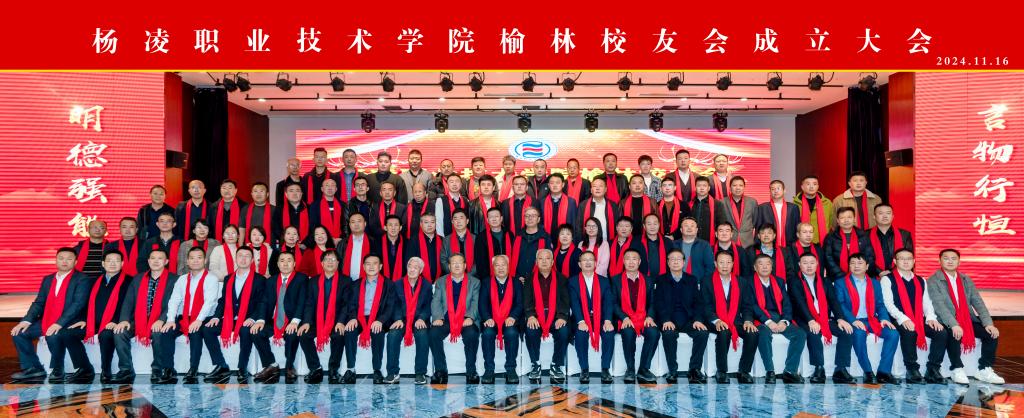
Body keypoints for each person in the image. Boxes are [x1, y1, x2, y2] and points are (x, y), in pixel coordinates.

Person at [10, 248, 91, 383]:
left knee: (53, 334)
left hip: (70, 321)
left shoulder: (82, 279)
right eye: (61, 258)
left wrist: (59, 323)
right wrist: (26, 321)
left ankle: (57, 369)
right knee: (19, 333)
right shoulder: (48, 279)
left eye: (69, 259)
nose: (64, 261)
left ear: (76, 261)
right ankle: (33, 368)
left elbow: (78, 304)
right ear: (56, 260)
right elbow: (39, 302)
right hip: (47, 319)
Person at [928, 249, 1005, 385]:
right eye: (946, 258)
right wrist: (954, 324)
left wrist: (988, 323)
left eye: (954, 258)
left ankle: (984, 369)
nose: (950, 261)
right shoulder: (933, 280)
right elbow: (939, 306)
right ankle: (956, 368)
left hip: (966, 319)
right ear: (939, 261)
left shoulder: (965, 279)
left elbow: (978, 302)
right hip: (945, 319)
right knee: (954, 333)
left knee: (991, 334)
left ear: (959, 261)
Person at [155, 246, 225, 384]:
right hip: (184, 317)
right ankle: (168, 369)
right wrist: (170, 320)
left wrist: (198, 320)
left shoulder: (211, 279)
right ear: (187, 261)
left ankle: (193, 369)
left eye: (199, 258)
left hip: (203, 318)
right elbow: (174, 300)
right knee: (166, 332)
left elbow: (209, 302)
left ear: (205, 260)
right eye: (192, 258)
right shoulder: (182, 279)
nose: (195, 261)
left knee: (195, 331)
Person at [204, 246, 273, 383]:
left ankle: (242, 368)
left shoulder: (259, 280)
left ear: (252, 260)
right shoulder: (228, 278)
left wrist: (253, 318)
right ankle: (221, 366)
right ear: (236, 258)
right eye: (240, 255)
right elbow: (223, 300)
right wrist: (216, 316)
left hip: (248, 319)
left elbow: (262, 302)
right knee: (207, 329)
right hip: (230, 318)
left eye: (247, 256)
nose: (243, 259)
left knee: (245, 330)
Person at [880, 248, 947, 384]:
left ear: (914, 261)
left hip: (918, 317)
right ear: (895, 261)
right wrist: (903, 318)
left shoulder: (921, 280)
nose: (906, 261)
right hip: (897, 318)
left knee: (941, 332)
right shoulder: (887, 279)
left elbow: (926, 302)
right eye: (901, 259)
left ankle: (933, 369)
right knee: (909, 331)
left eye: (909, 259)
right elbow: (888, 304)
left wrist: (931, 318)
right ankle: (912, 370)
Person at [786, 252, 854, 384]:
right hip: (804, 318)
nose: (809, 266)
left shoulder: (825, 281)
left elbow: (834, 301)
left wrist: (840, 318)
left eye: (812, 263)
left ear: (817, 264)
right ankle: (819, 368)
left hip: (824, 317)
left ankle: (840, 369)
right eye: (805, 263)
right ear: (799, 265)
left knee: (846, 331)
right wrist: (811, 320)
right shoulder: (794, 281)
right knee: (813, 333)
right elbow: (799, 303)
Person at [113, 248, 178, 384]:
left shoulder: (174, 279)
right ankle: (126, 370)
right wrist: (124, 320)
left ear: (166, 261)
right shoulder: (138, 278)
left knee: (158, 333)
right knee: (120, 332)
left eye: (160, 258)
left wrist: (162, 320)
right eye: (152, 258)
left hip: (163, 320)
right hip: (139, 320)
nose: (156, 261)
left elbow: (174, 303)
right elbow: (128, 301)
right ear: (148, 261)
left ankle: (158, 370)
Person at [834, 253, 899, 384]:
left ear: (867, 266)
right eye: (852, 263)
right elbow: (840, 304)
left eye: (860, 263)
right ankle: (868, 372)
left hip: (871, 319)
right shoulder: (840, 283)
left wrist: (884, 318)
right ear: (849, 266)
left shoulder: (875, 283)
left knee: (893, 333)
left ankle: (884, 372)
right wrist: (853, 320)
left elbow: (880, 304)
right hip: (852, 320)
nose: (856, 266)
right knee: (859, 333)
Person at [745, 254, 806, 384]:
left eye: (768, 264)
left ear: (772, 266)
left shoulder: (779, 281)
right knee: (763, 333)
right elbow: (752, 305)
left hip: (779, 318)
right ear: (755, 267)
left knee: (800, 334)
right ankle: (770, 371)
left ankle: (790, 371)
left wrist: (784, 321)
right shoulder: (748, 282)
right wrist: (768, 321)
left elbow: (787, 304)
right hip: (760, 320)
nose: (765, 267)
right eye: (761, 264)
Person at [702, 251, 759, 384]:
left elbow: (747, 306)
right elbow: (706, 306)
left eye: (728, 262)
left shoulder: (741, 282)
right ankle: (721, 371)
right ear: (715, 264)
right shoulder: (707, 281)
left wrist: (748, 320)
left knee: (753, 333)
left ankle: (744, 371)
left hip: (735, 321)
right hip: (714, 320)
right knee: (724, 331)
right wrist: (716, 320)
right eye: (721, 262)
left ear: (733, 264)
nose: (725, 265)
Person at [654, 249, 710, 384]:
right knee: (668, 334)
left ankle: (694, 369)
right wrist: (665, 320)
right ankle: (672, 370)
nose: (675, 262)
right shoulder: (661, 280)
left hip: (688, 320)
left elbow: (698, 303)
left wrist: (697, 320)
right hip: (669, 320)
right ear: (668, 262)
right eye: (672, 259)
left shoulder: (692, 279)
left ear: (684, 262)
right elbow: (658, 303)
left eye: (678, 259)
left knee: (702, 333)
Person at [254, 251, 308, 384]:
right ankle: (271, 365)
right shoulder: (271, 281)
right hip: (274, 320)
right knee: (256, 332)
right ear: (278, 264)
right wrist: (260, 320)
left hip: (292, 319)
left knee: (291, 334)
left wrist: (295, 321)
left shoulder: (301, 279)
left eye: (289, 260)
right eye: (282, 260)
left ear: (294, 263)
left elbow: (302, 301)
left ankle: (289, 366)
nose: (285, 263)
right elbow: (264, 301)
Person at [429, 253, 481, 384]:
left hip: (466, 319)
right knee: (434, 333)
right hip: (446, 319)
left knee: (472, 334)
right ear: (449, 266)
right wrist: (438, 317)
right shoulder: (441, 282)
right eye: (453, 263)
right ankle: (441, 370)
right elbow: (436, 301)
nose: (457, 265)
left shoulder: (474, 282)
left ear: (465, 265)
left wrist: (470, 317)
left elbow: (475, 302)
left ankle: (471, 371)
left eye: (460, 262)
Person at [342, 255, 394, 384]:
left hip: (378, 318)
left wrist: (381, 320)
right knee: (349, 331)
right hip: (359, 317)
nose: (371, 266)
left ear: (380, 266)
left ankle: (377, 370)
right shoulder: (356, 284)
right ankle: (350, 369)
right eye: (368, 264)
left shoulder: (388, 284)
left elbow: (390, 306)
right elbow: (351, 304)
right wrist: (352, 318)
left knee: (377, 332)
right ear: (363, 267)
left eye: (374, 263)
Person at [83, 250, 133, 383]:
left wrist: (117, 321)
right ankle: (83, 369)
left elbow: (130, 304)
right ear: (103, 263)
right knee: (68, 334)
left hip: (115, 322)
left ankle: (105, 370)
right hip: (93, 322)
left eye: (116, 261)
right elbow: (85, 302)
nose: (112, 263)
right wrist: (83, 320)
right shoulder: (94, 281)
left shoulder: (129, 281)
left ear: (122, 263)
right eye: (109, 261)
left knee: (105, 335)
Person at [299, 251, 348, 384]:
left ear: (338, 263)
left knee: (339, 335)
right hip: (317, 321)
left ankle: (333, 370)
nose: (330, 262)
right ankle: (315, 368)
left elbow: (346, 304)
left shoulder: (345, 281)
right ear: (322, 263)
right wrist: (307, 322)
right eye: (327, 259)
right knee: (303, 334)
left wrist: (341, 321)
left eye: (333, 259)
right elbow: (309, 303)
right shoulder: (313, 281)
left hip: (336, 321)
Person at [611, 249, 660, 383]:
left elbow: (652, 302)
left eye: (634, 259)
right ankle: (630, 369)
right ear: (623, 261)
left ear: (639, 262)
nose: (631, 262)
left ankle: (644, 369)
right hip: (624, 319)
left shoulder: (648, 280)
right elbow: (613, 303)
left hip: (644, 317)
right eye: (628, 259)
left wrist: (650, 316)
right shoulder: (615, 280)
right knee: (628, 332)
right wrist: (624, 317)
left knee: (654, 333)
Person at [523, 249, 571, 383]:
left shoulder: (561, 279)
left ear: (552, 262)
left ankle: (556, 365)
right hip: (536, 315)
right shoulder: (529, 279)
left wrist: (562, 316)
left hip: (555, 315)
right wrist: (530, 315)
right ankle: (535, 364)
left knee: (564, 331)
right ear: (536, 262)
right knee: (530, 330)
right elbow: (527, 300)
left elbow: (565, 300)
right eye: (541, 259)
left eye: (547, 258)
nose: (544, 261)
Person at [568, 251, 615, 384]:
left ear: (595, 263)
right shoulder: (572, 281)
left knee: (609, 333)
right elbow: (574, 303)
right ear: (579, 264)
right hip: (582, 318)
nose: (588, 262)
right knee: (581, 334)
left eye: (591, 260)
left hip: (601, 318)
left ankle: (605, 369)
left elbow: (608, 302)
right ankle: (584, 369)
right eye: (584, 260)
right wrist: (580, 321)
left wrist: (607, 320)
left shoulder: (604, 281)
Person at [385, 257, 433, 384]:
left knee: (422, 334)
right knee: (393, 335)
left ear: (421, 270)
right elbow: (394, 304)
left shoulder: (427, 285)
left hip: (419, 319)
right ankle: (392, 372)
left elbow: (429, 305)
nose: (412, 269)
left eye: (415, 267)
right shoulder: (397, 284)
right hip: (402, 319)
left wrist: (422, 318)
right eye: (410, 266)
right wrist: (398, 319)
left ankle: (420, 373)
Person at [478, 255, 523, 384]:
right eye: (497, 265)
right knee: (487, 333)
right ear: (493, 268)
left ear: (508, 267)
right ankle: (489, 370)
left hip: (510, 320)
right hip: (492, 320)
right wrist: (487, 318)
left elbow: (520, 303)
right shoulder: (486, 282)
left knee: (511, 333)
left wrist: (513, 316)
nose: (501, 268)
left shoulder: (516, 282)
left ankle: (511, 369)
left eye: (503, 265)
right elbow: (482, 304)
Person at [824, 207, 875, 278]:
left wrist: (861, 274)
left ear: (854, 219)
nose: (846, 220)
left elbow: (870, 257)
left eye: (849, 217)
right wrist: (841, 276)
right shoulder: (830, 237)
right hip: (837, 278)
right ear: (838, 220)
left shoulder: (863, 235)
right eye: (842, 218)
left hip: (861, 276)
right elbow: (828, 259)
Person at [868, 203, 914, 277]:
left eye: (888, 213)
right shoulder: (865, 235)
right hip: (873, 277)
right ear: (874, 216)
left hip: (900, 276)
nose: (885, 216)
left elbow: (909, 257)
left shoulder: (905, 235)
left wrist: (892, 272)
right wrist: (879, 272)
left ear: (893, 216)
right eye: (881, 213)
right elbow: (865, 258)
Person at [509, 207, 551, 281]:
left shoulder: (545, 237)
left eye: (533, 216)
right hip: (519, 279)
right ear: (524, 219)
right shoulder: (517, 236)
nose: (530, 218)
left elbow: (549, 261)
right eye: (527, 216)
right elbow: (512, 258)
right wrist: (517, 276)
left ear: (538, 219)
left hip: (539, 279)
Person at [755, 180, 801, 248]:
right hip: (768, 246)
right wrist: (757, 246)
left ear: (784, 191)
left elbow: (797, 227)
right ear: (770, 192)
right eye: (773, 189)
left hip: (790, 245)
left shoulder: (793, 208)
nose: (775, 191)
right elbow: (758, 228)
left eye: (778, 188)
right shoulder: (762, 208)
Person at [792, 175, 835, 245]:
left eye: (814, 184)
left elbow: (831, 223)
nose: (811, 186)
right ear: (802, 187)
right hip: (801, 244)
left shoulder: (827, 203)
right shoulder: (794, 204)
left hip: (822, 243)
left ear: (818, 186)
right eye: (808, 184)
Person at [575, 177, 618, 242]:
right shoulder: (583, 205)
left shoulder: (613, 205)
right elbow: (578, 226)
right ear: (591, 190)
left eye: (600, 186)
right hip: (588, 242)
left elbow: (617, 225)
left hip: (608, 241)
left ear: (605, 189)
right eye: (594, 186)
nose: (597, 188)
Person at [720, 176, 757, 247]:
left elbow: (754, 221)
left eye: (740, 185)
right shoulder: (722, 202)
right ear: (730, 187)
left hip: (748, 241)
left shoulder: (752, 202)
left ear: (744, 187)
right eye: (734, 185)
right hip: (729, 241)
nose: (738, 188)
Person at [141, 213, 181, 278]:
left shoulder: (182, 243)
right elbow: (141, 262)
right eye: (162, 221)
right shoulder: (149, 243)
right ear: (157, 224)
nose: (165, 223)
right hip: (153, 278)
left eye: (168, 221)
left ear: (174, 224)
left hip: (177, 279)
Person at [405, 214, 443, 282]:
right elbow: (409, 262)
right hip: (419, 281)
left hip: (440, 281)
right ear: (421, 224)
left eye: (432, 222)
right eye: (426, 222)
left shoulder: (442, 240)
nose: (429, 225)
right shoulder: (413, 240)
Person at [539, 173, 578, 241]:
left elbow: (574, 223)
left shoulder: (571, 202)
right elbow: (540, 223)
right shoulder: (542, 202)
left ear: (563, 185)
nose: (555, 185)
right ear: (548, 185)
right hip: (546, 238)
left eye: (557, 183)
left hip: (566, 240)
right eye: (552, 183)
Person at [475, 208, 512, 278]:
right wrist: (486, 279)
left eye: (496, 216)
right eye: (491, 217)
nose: (494, 219)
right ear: (487, 220)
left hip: (509, 275)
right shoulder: (481, 237)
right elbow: (480, 261)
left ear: (501, 218)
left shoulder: (509, 234)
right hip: (488, 276)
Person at [338, 213, 375, 281]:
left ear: (365, 224)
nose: (356, 224)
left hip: (368, 282)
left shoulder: (373, 242)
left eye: (359, 221)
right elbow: (338, 264)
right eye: (353, 222)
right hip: (346, 282)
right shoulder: (342, 244)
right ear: (349, 225)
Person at [440, 209, 475, 276]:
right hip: (452, 277)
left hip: (472, 277)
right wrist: (455, 274)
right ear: (452, 222)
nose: (458, 221)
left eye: (461, 218)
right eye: (455, 219)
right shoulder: (446, 240)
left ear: (467, 221)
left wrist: (468, 275)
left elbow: (479, 261)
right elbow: (443, 260)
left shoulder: (475, 239)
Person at [690, 176, 721, 242]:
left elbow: (721, 223)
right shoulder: (690, 204)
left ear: (709, 188)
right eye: (699, 186)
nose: (701, 188)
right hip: (692, 239)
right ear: (695, 187)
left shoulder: (717, 204)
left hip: (709, 241)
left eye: (704, 186)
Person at [380, 215, 406, 280]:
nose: (393, 228)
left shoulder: (408, 243)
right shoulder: (376, 243)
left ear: (400, 227)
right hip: (382, 280)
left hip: (403, 281)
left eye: (396, 225)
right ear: (385, 227)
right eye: (390, 225)